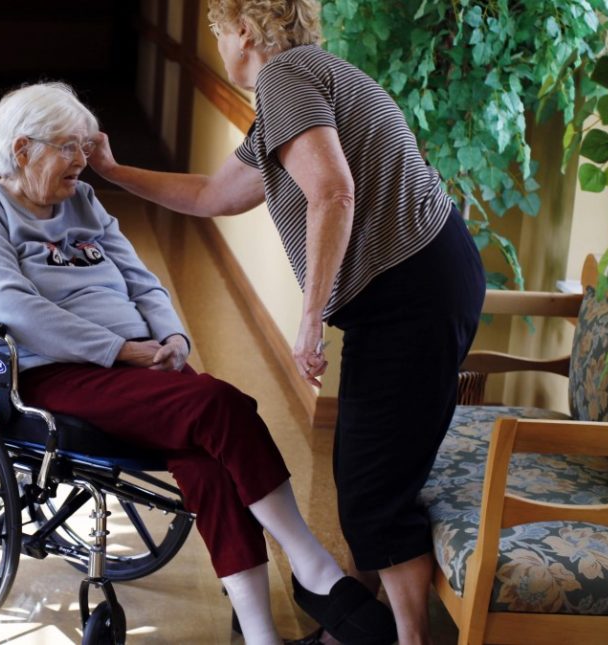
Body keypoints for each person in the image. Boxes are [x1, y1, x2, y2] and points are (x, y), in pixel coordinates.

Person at [85, 2, 487, 644]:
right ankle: (350, 633)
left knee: (370, 493)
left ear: (244, 30)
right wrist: (110, 172)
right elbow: (213, 196)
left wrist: (309, 319)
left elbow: (332, 191)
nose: (217, 45)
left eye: (217, 32)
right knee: (367, 473)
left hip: (411, 295)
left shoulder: (287, 78)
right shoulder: (298, 86)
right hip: (419, 286)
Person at [0, 82, 397, 645]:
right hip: (52, 371)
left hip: (137, 364)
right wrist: (121, 350)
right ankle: (314, 568)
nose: (84, 162)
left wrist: (172, 335)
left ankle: (260, 635)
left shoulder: (80, 198)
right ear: (22, 150)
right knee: (218, 405)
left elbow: (139, 276)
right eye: (70, 148)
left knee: (205, 461)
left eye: (86, 147)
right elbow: (11, 307)